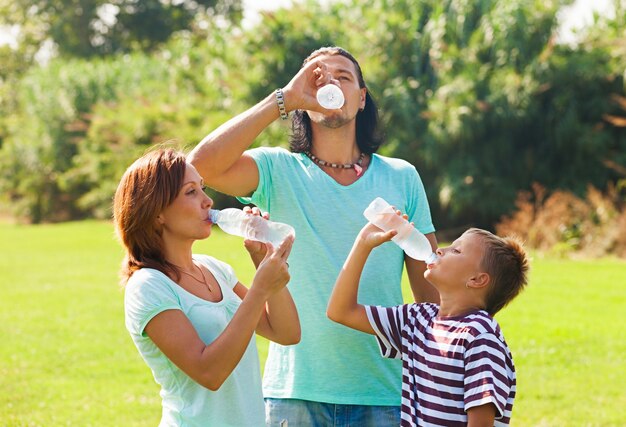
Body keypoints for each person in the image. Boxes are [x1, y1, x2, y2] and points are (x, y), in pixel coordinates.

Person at [189, 46, 439, 425]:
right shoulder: (276, 169)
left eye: (343, 76)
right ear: (305, 101)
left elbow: (432, 299)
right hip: (293, 394)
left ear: (361, 97)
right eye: (317, 79)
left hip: (385, 393)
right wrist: (283, 99)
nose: (331, 84)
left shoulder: (402, 176)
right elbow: (200, 167)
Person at [113, 148, 300, 426]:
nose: (208, 201)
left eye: (202, 188)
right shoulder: (148, 286)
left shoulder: (215, 268)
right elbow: (210, 373)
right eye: (191, 192)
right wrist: (260, 289)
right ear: (157, 212)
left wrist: (262, 261)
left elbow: (286, 333)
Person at [327, 220, 530, 426]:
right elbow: (341, 311)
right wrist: (363, 243)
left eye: (456, 250)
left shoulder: (480, 336)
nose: (440, 250)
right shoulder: (417, 319)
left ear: (477, 280)